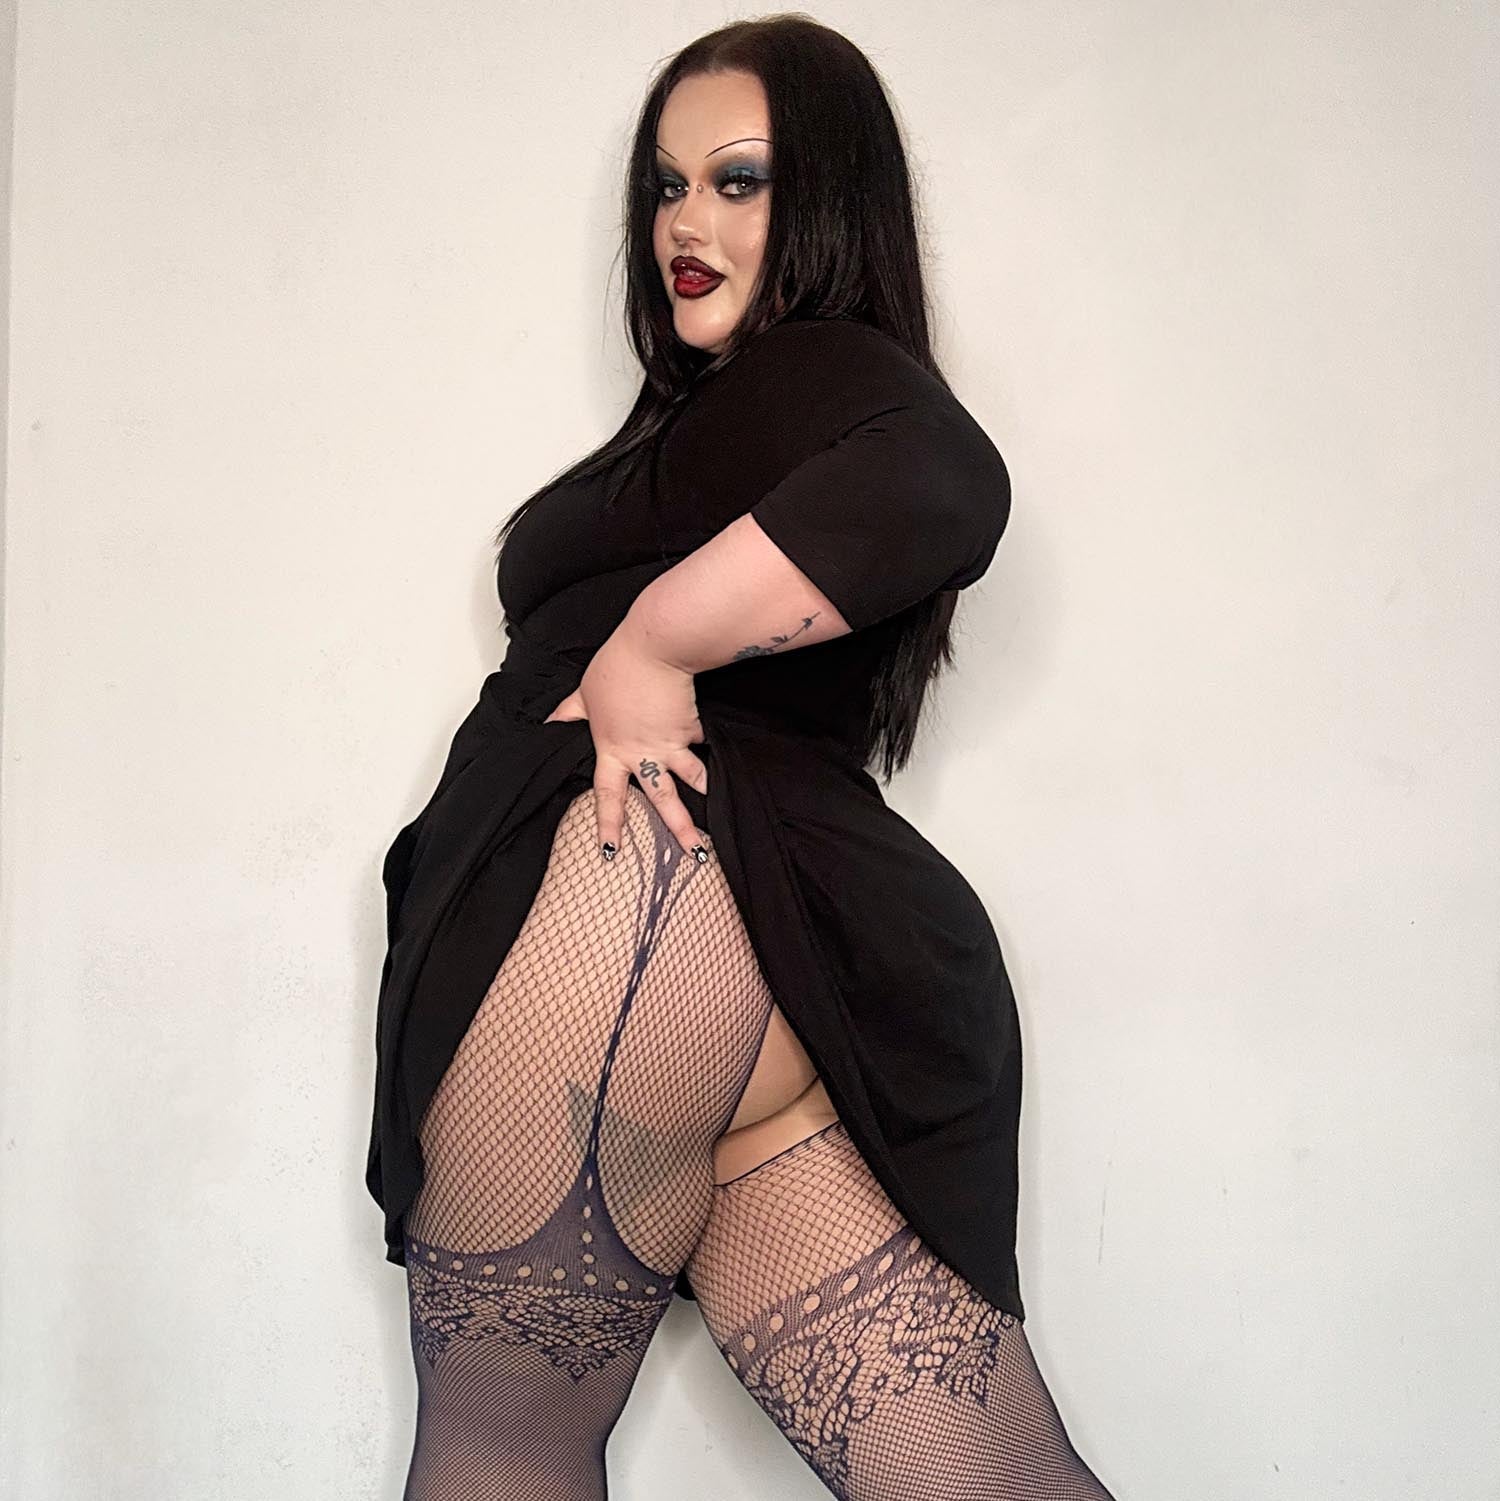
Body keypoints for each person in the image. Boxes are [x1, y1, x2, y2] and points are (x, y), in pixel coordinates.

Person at [366, 15, 1118, 1500]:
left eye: (739, 180)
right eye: (667, 186)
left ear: (830, 198)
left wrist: (649, 644)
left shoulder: (815, 372)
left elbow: (946, 480)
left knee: (507, 1448)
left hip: (625, 920)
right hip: (795, 969)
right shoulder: (731, 415)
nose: (685, 224)